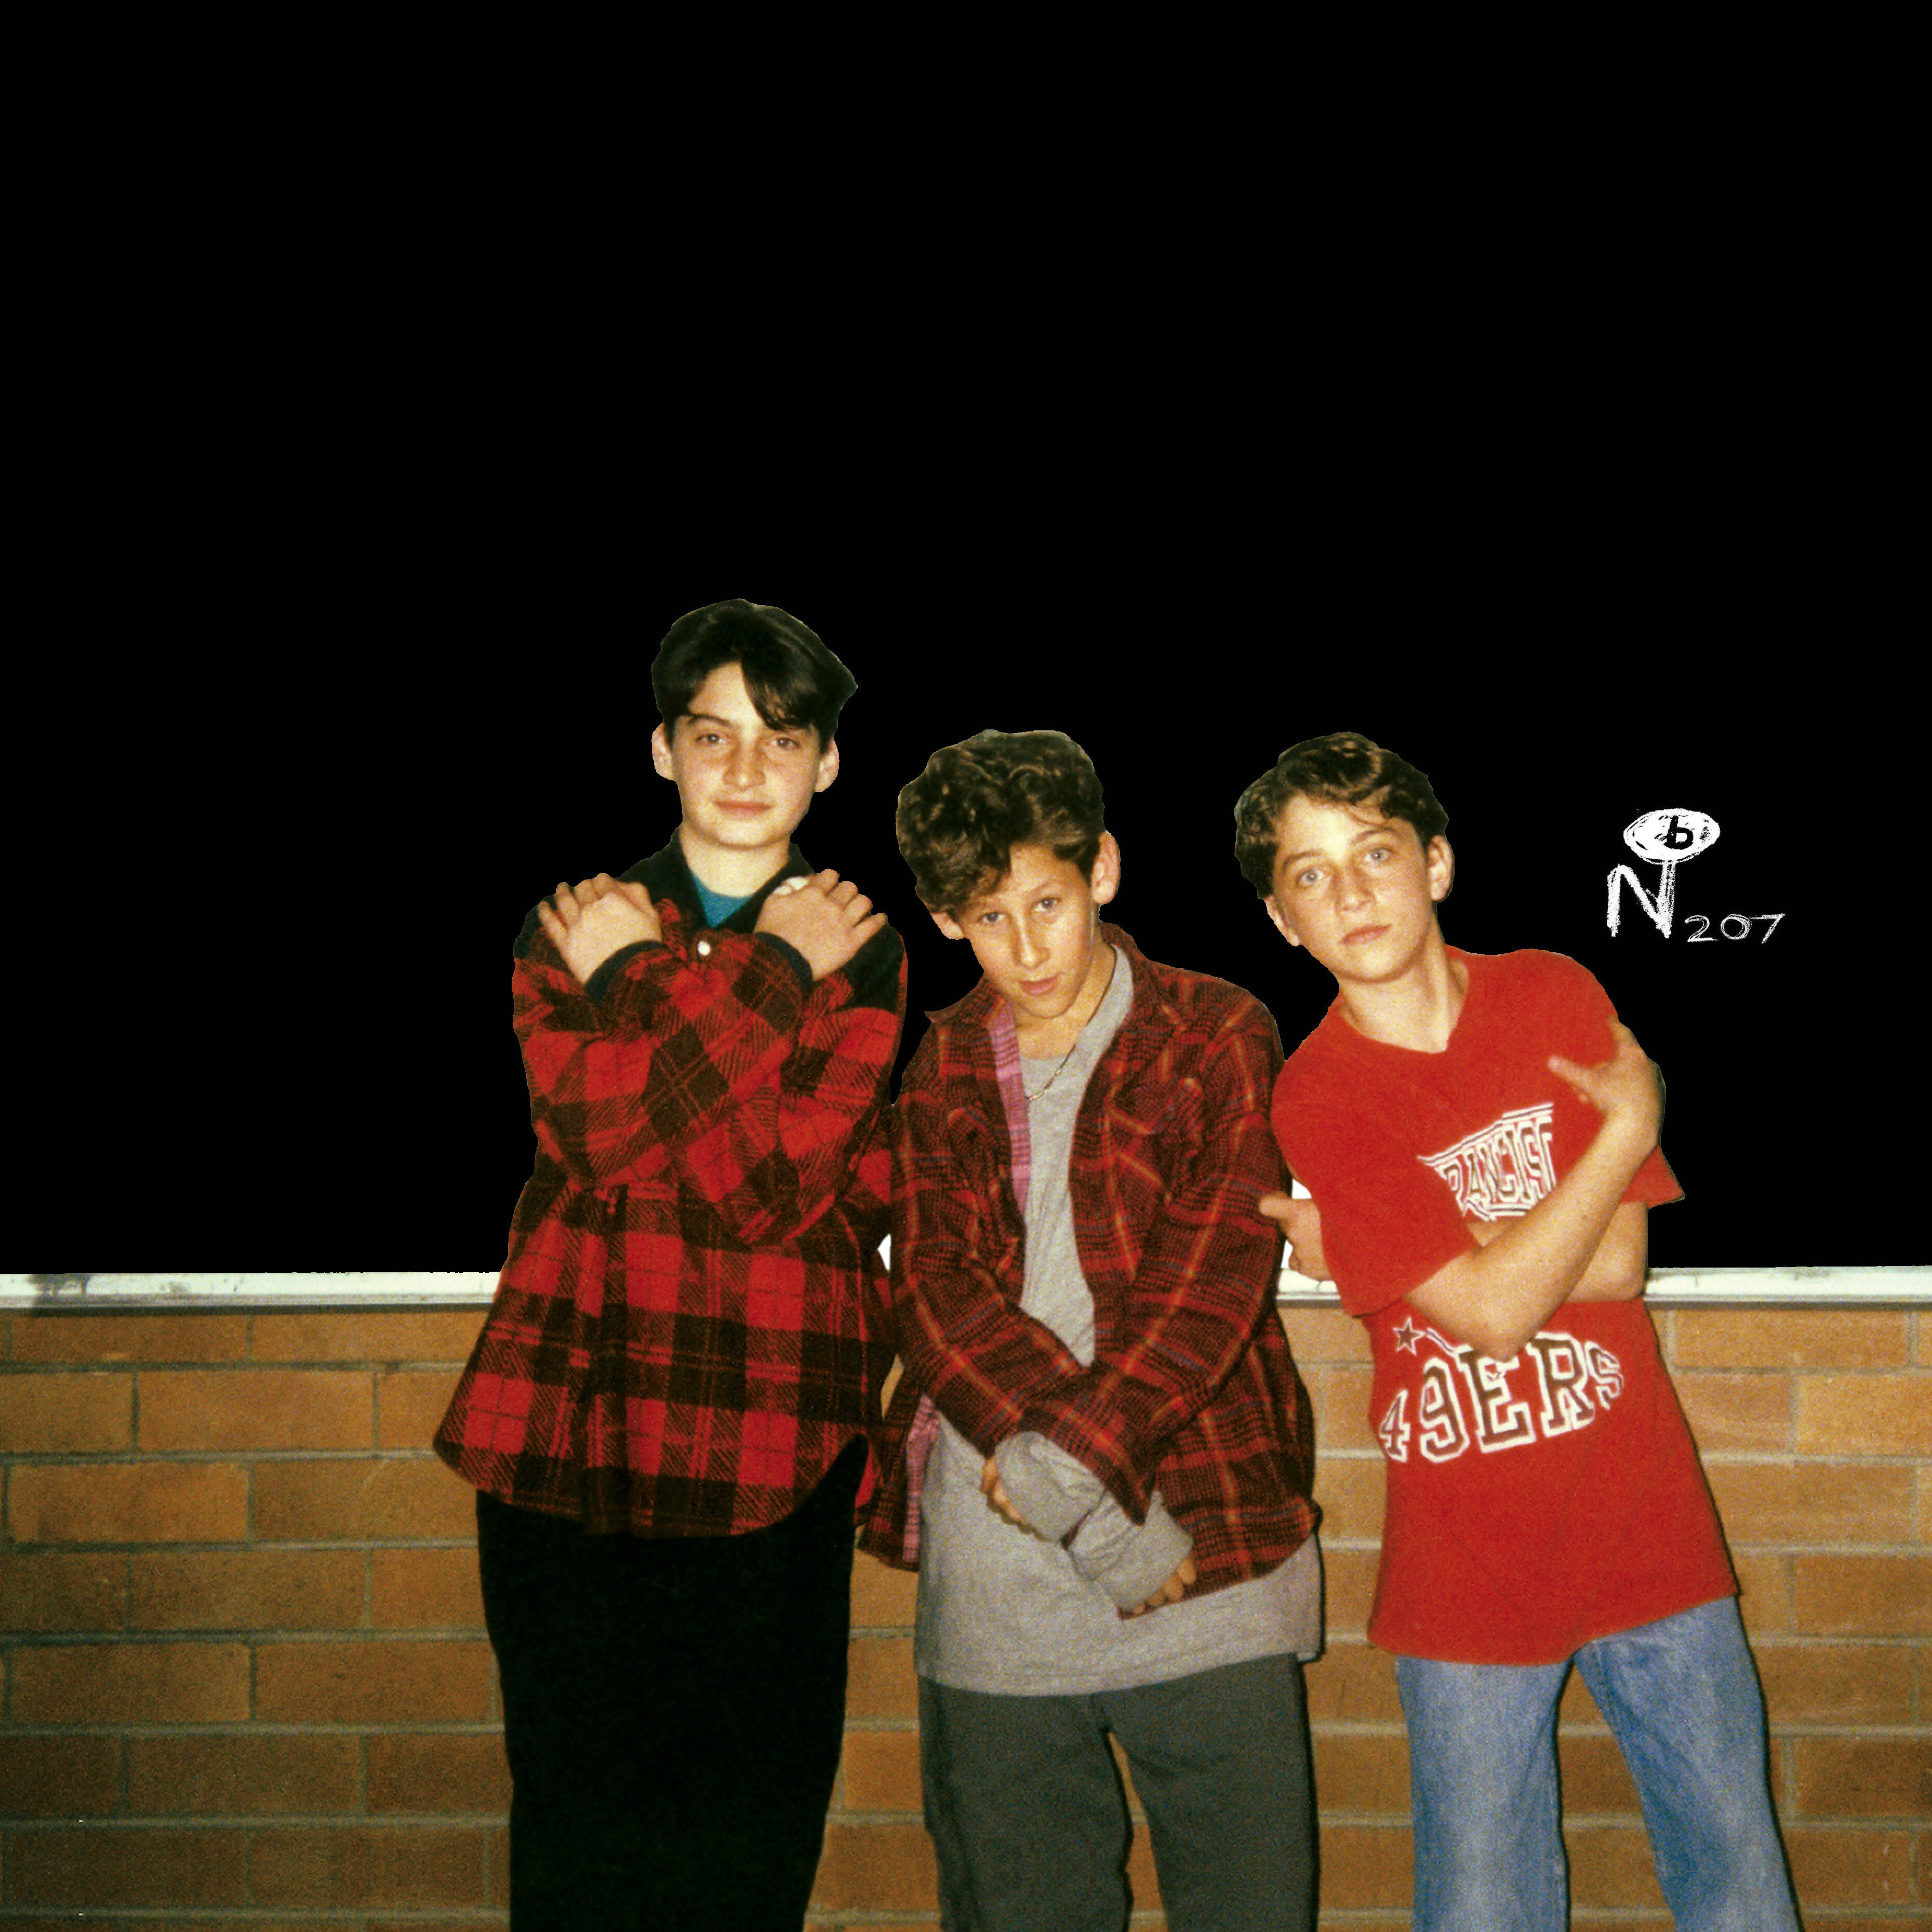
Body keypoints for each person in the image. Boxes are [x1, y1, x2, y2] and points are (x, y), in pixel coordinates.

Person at [1236, 730, 1798, 1931]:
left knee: (1737, 1877)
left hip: (1647, 1526)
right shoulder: (1315, 1092)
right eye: (1311, 875)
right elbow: (1494, 1318)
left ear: (1436, 862)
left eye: (1375, 853)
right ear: (1284, 921)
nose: (1352, 893)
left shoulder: (1551, 992)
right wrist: (1625, 1127)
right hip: (1463, 1562)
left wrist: (1421, 1254)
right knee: (1481, 1906)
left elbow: (1622, 1261)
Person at [433, 599, 905, 1930]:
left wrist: (643, 979)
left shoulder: (859, 942)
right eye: (713, 735)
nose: (746, 769)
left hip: (774, 1434)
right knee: (578, 1827)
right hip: (568, 1428)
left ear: (826, 764)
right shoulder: (571, 922)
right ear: (662, 750)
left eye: (782, 738)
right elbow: (596, 1139)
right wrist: (769, 979)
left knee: (748, 1837)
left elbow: (766, 1195)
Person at [863, 728, 1322, 1932]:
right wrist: (1099, 1516)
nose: (1026, 950)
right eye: (987, 918)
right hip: (1001, 1588)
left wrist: (1070, 1478)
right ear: (947, 920)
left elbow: (1210, 1286)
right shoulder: (941, 1067)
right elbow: (937, 1299)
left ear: (1103, 869)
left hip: (1207, 1553)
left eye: (1047, 904)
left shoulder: (1218, 1029)